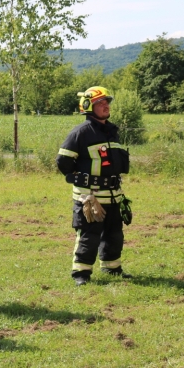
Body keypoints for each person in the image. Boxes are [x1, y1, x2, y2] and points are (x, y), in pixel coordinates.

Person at [56, 86, 131, 286]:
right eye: (101, 103)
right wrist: (81, 181)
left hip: (114, 196)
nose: (106, 105)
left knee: (114, 234)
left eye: (107, 102)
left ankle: (112, 267)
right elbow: (63, 161)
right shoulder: (80, 132)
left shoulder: (111, 131)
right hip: (90, 198)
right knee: (89, 236)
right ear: (89, 106)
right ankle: (81, 274)